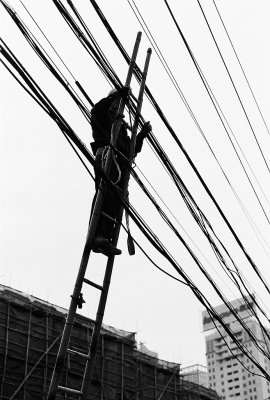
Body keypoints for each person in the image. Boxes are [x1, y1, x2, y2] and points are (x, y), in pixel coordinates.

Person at [90, 88, 151, 256]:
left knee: (116, 203)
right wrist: (115, 96)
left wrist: (142, 135)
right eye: (117, 102)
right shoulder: (104, 114)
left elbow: (131, 149)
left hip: (120, 164)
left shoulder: (122, 125)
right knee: (104, 193)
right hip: (106, 157)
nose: (120, 106)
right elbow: (96, 110)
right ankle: (96, 237)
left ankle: (106, 240)